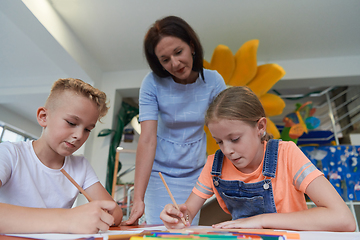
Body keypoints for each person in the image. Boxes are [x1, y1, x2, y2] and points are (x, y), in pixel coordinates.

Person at [160, 86, 356, 232]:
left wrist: (262, 220)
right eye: (219, 141)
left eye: (235, 139)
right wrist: (177, 219)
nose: (227, 150)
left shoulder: (286, 154)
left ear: (261, 127)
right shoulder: (214, 165)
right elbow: (187, 216)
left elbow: (344, 219)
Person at [125, 16, 226, 225]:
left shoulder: (213, 81)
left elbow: (225, 130)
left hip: (196, 173)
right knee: (159, 229)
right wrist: (138, 198)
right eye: (165, 59)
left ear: (191, 45)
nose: (175, 63)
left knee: (186, 229)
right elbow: (147, 140)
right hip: (159, 174)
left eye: (178, 52)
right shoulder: (152, 83)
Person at [0, 78, 123, 234]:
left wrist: (103, 214)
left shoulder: (80, 166)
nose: (79, 135)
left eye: (87, 129)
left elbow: (115, 213)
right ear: (43, 117)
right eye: (71, 123)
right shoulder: (9, 154)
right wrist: (68, 219)